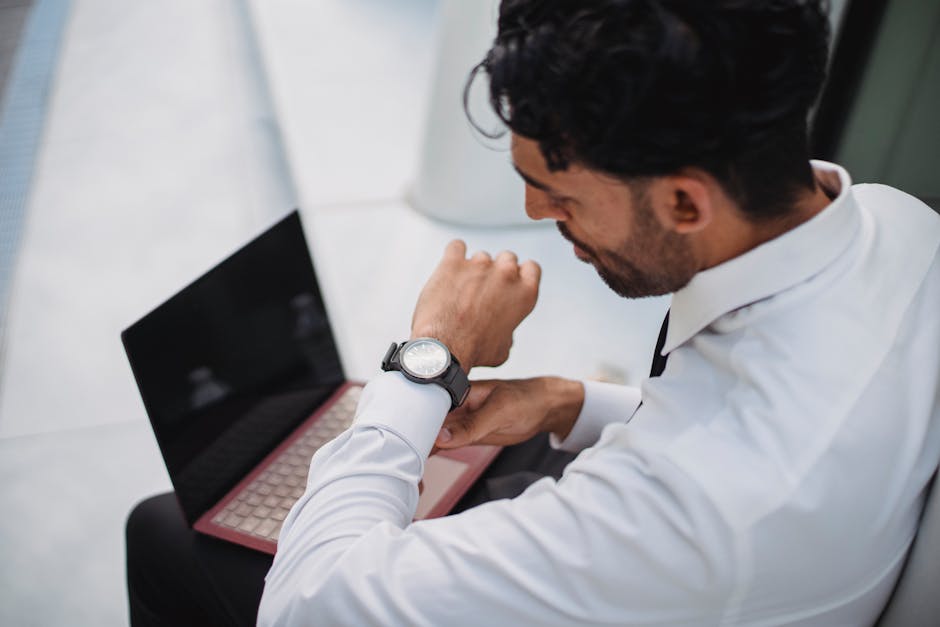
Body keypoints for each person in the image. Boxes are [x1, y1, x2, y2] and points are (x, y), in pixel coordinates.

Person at [127, 1, 940, 625]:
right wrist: (570, 402)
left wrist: (429, 360)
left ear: (686, 202)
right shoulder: (903, 229)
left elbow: (304, 605)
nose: (533, 208)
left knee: (168, 534)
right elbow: (741, 411)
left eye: (557, 192)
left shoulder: (686, 516)